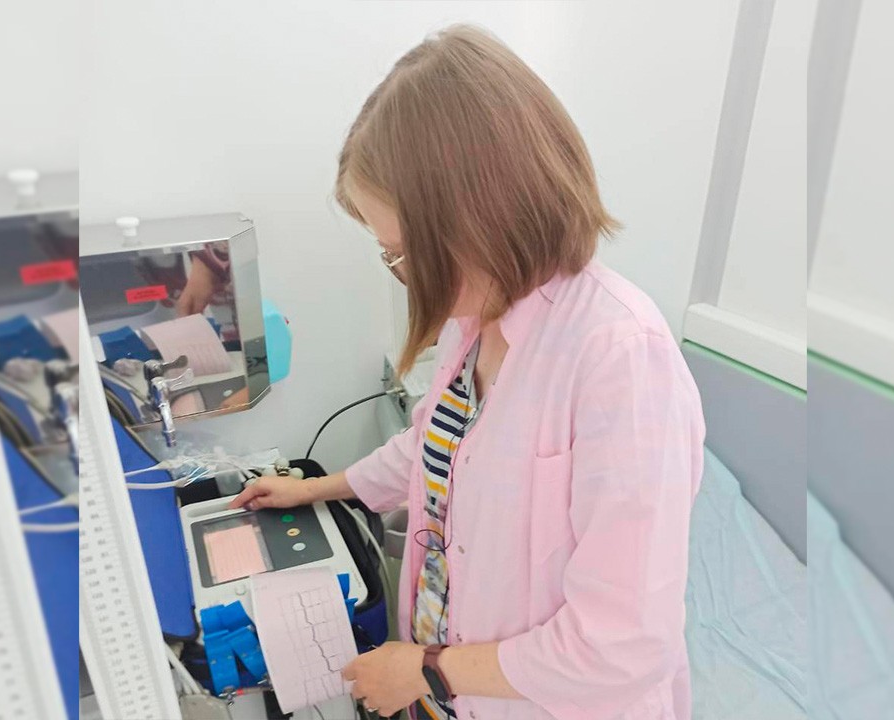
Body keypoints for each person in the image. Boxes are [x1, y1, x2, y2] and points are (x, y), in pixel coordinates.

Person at [231, 25, 705, 720]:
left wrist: (430, 671)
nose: (403, 276)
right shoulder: (476, 319)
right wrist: (317, 488)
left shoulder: (620, 357)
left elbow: (623, 644)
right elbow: (433, 446)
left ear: (483, 213)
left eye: (404, 253)